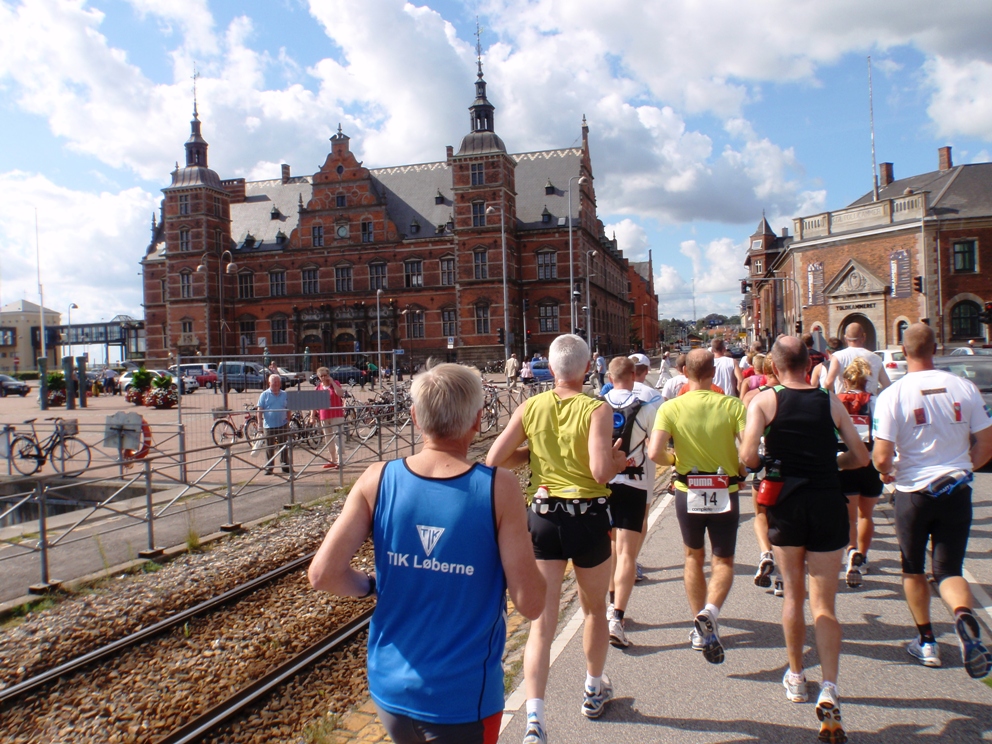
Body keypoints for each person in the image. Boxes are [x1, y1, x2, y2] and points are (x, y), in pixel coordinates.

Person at [309, 363, 545, 744]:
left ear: (416, 417)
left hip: (390, 688)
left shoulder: (377, 478)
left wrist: (370, 587)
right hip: (462, 697)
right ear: (478, 420)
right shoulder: (498, 488)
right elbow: (531, 604)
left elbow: (323, 574)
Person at [486, 334, 626, 744]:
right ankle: (592, 688)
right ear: (587, 368)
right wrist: (617, 459)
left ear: (550, 367)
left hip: (544, 518)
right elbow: (601, 471)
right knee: (595, 610)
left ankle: (534, 720)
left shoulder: (531, 406)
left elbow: (494, 459)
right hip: (587, 518)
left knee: (541, 624)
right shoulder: (596, 408)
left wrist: (533, 454)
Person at [740, 336, 868, 744]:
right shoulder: (828, 401)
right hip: (828, 501)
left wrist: (766, 461)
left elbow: (747, 458)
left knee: (793, 594)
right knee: (825, 603)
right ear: (807, 363)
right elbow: (860, 457)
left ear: (776, 368)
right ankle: (830, 686)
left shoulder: (764, 401)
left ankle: (796, 676)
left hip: (787, 503)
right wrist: (832, 463)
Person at [872, 322, 992, 678]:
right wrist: (963, 466)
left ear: (904, 352)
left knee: (913, 568)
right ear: (935, 348)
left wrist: (887, 473)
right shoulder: (964, 387)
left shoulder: (894, 394)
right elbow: (986, 444)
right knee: (949, 570)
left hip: (914, 493)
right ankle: (962, 616)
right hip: (955, 488)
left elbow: (881, 455)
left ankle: (926, 641)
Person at [648, 349, 747, 664]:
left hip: (687, 487)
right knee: (724, 560)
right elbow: (747, 451)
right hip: (724, 487)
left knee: (692, 556)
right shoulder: (732, 406)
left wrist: (674, 459)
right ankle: (711, 611)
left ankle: (699, 628)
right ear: (713, 373)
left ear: (685, 373)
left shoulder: (671, 407)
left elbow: (654, 452)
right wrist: (742, 470)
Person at [602, 357, 659, 648]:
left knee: (608, 548)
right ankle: (618, 617)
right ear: (634, 375)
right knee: (626, 553)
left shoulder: (595, 405)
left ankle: (606, 607)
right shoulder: (647, 408)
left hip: (603, 485)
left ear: (609, 376)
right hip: (634, 483)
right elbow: (657, 446)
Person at [835, 357, 883, 588]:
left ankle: (851, 554)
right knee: (866, 515)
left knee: (849, 517)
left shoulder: (835, 402)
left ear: (845, 380)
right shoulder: (876, 402)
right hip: (870, 463)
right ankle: (862, 557)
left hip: (844, 462)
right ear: (867, 381)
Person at [823, 322, 890, 395]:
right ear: (864, 337)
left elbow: (828, 383)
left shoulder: (838, 357)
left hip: (845, 403)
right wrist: (875, 393)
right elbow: (887, 386)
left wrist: (831, 401)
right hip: (869, 403)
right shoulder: (876, 358)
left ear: (845, 338)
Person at [311, 366, 346, 470]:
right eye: (321, 376)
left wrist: (333, 383)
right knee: (328, 438)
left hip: (336, 415)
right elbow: (315, 403)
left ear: (329, 375)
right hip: (324, 416)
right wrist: (312, 416)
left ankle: (340, 460)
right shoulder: (318, 388)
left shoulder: (335, 384)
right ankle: (332, 459)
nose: (323, 378)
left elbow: (340, 393)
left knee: (338, 438)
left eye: (325, 375)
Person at [256, 373, 290, 475]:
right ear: (269, 383)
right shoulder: (264, 395)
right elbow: (259, 410)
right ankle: (269, 467)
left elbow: (289, 409)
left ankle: (285, 465)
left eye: (277, 382)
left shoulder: (284, 394)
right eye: (274, 382)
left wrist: (288, 420)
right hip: (269, 426)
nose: (276, 384)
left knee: (283, 446)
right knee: (269, 447)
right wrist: (260, 424)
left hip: (282, 424)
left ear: (280, 383)